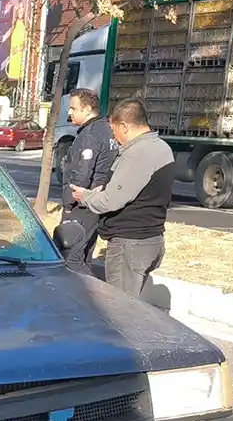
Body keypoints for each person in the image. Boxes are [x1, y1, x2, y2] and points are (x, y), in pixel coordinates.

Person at [72, 98, 175, 298]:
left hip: (130, 244)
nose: (114, 136)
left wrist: (85, 196)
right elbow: (139, 190)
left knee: (120, 311)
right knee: (134, 306)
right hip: (151, 240)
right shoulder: (161, 148)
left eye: (114, 130)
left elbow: (112, 201)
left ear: (125, 126)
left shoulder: (137, 153)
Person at [59, 88, 117, 275]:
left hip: (81, 205)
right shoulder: (107, 130)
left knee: (70, 258)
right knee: (85, 255)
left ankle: (83, 298)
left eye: (73, 108)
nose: (69, 113)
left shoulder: (89, 135)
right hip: (95, 202)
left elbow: (81, 176)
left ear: (87, 109)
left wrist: (68, 204)